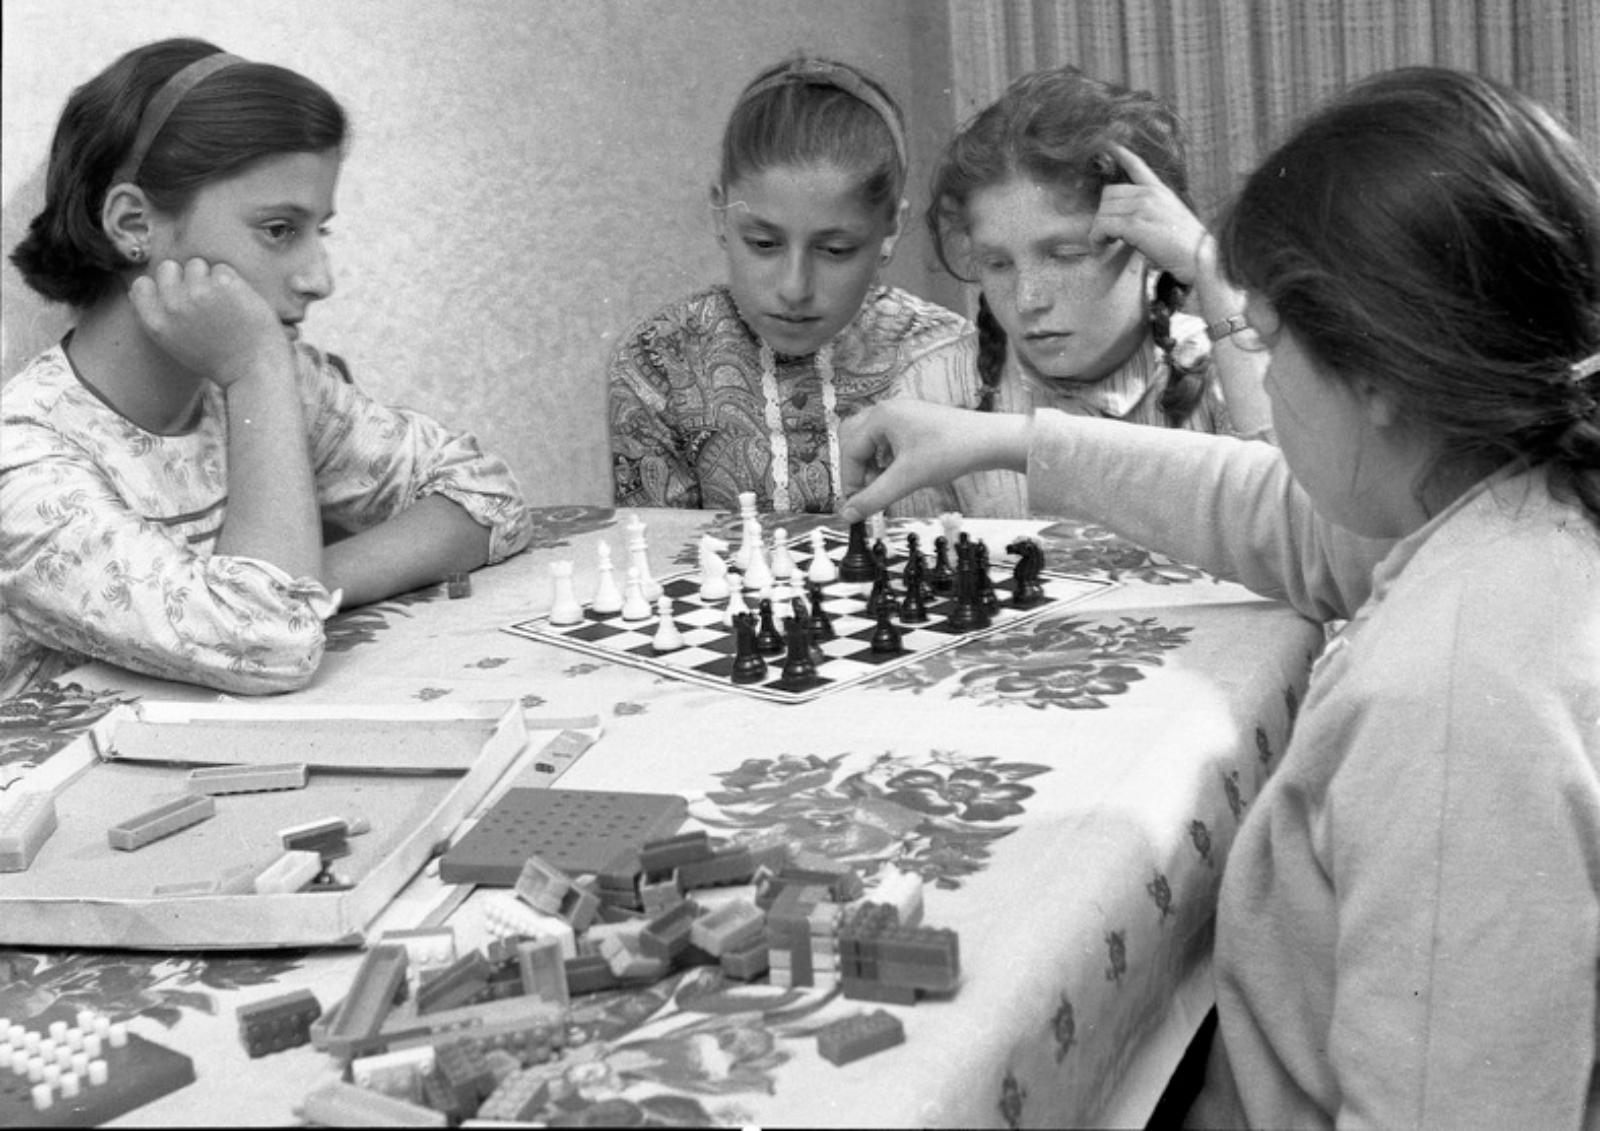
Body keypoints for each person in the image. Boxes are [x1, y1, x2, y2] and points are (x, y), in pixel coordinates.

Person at [838, 66, 1600, 1129]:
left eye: (1272, 342)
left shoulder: (1455, 706)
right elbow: (1278, 512)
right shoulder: (1507, 498)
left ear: (1375, 376)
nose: (1263, 376)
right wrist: (1012, 438)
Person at [1, 38, 533, 698]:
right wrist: (254, 370)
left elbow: (487, 494)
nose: (320, 278)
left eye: (321, 231)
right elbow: (271, 642)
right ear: (134, 222)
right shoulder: (24, 467)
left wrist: (310, 579)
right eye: (279, 229)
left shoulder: (275, 381)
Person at [607, 55, 989, 518]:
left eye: (835, 250)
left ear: (890, 229)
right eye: (763, 243)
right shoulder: (658, 362)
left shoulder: (956, 359)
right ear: (720, 213)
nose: (794, 288)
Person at [918, 66, 1274, 516]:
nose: (1029, 300)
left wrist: (1211, 268)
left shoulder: (1229, 373)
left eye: (1065, 254)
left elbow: (1305, 528)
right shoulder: (931, 391)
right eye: (998, 264)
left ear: (1146, 243)